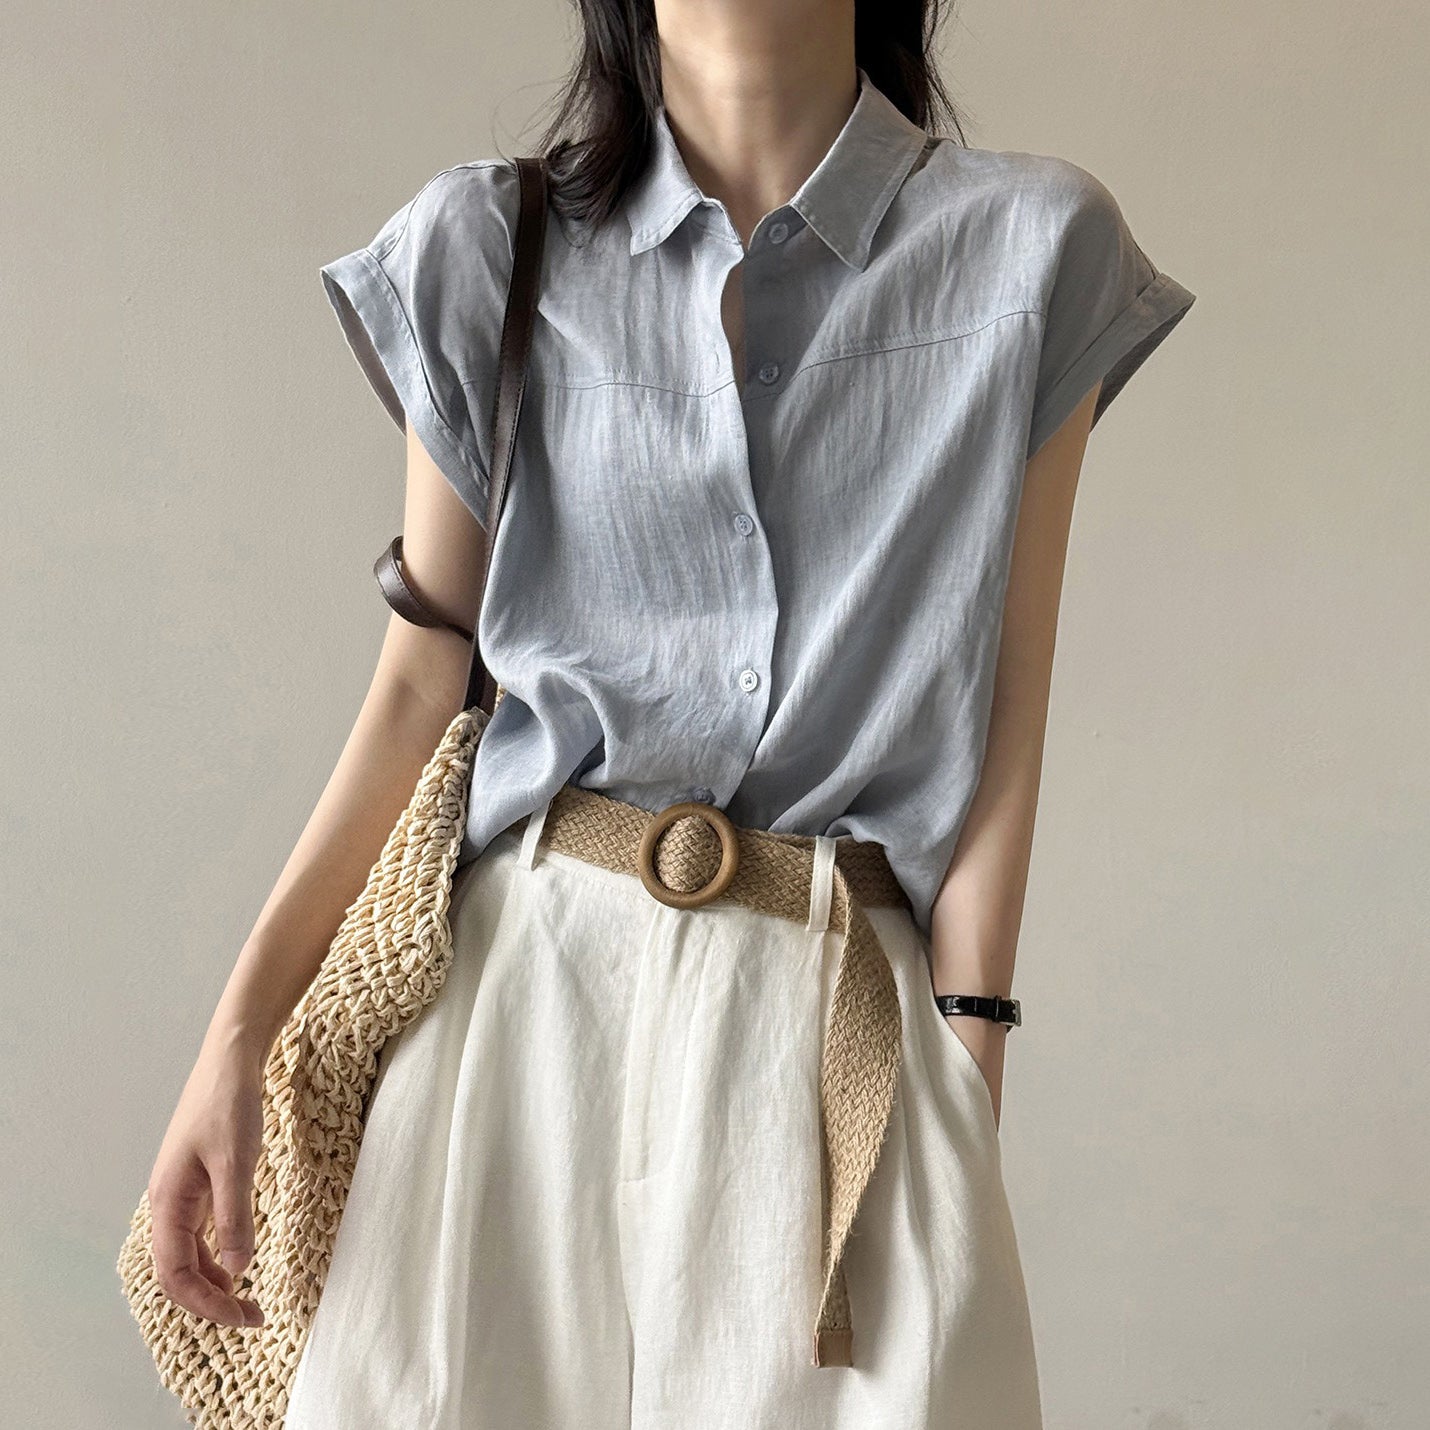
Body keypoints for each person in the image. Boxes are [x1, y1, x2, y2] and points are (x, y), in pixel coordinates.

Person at [143, 4, 1195, 1426]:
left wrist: (968, 1059)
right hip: (518, 1026)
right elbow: (414, 690)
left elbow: (1007, 705)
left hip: (835, 1022)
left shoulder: (1034, 249)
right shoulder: (486, 244)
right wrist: (240, 1034)